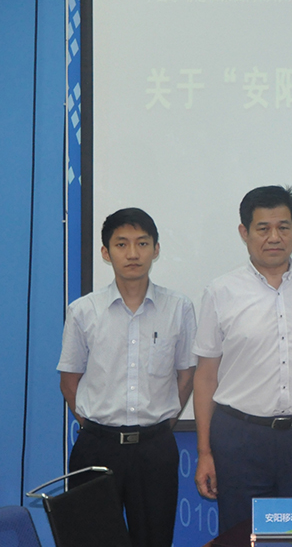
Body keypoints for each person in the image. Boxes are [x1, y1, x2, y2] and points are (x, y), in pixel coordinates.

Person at [192, 186, 292, 533]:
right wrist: (205, 452)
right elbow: (206, 376)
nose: (274, 237)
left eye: (283, 227)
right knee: (241, 535)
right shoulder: (221, 291)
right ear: (244, 232)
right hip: (240, 438)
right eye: (263, 228)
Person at [57, 208, 196, 547]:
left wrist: (158, 423)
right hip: (96, 447)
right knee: (90, 540)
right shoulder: (84, 310)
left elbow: (186, 375)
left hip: (155, 449)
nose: (133, 253)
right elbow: (69, 381)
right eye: (121, 244)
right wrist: (99, 427)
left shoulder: (178, 308)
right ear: (106, 253)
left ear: (156, 249)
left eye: (142, 243)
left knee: (154, 539)